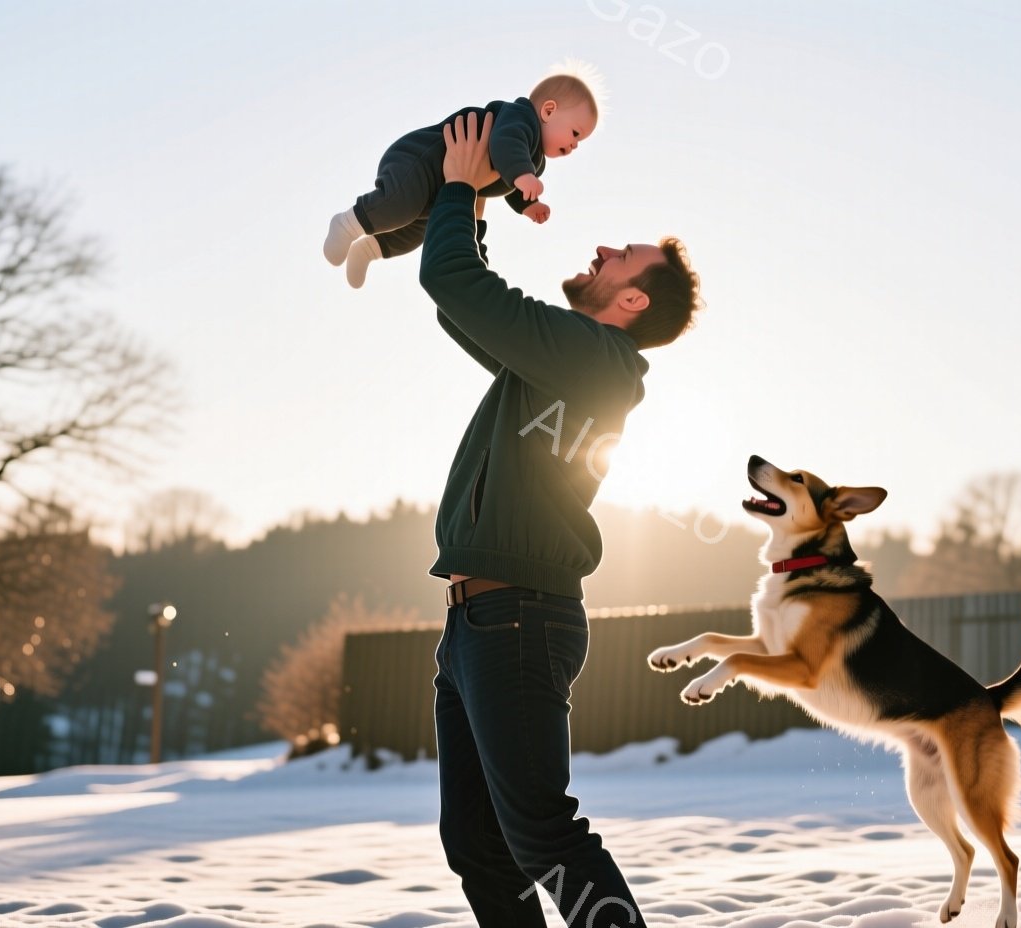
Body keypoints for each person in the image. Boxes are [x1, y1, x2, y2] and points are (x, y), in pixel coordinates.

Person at [419, 110, 702, 928]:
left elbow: (454, 287)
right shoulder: (562, 353)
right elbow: (462, 306)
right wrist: (467, 208)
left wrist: (458, 191)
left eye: (624, 258)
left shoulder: (597, 359)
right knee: (477, 843)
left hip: (518, 618)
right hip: (477, 621)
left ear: (632, 299)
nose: (606, 250)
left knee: (542, 834)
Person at [322, 71, 599, 288]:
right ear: (548, 111)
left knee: (417, 231)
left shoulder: (534, 160)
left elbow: (512, 184)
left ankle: (369, 250)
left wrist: (527, 205)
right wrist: (523, 175)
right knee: (399, 206)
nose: (575, 145)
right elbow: (505, 144)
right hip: (422, 161)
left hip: (443, 187)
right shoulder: (520, 119)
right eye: (575, 133)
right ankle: (347, 223)